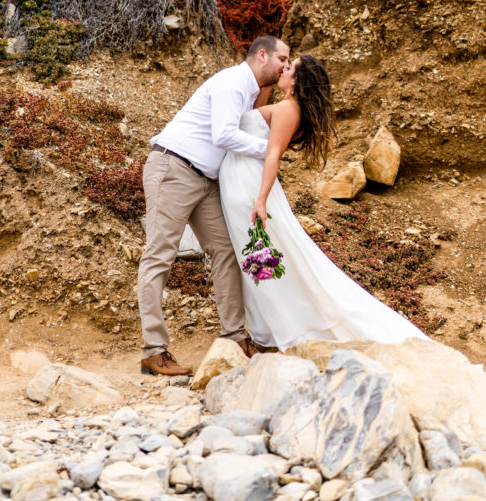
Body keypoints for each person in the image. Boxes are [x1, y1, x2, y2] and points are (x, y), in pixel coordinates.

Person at [218, 55, 430, 350]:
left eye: (289, 68)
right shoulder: (285, 106)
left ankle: (274, 329)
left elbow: (272, 156)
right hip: (240, 181)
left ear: (297, 81)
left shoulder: (288, 109)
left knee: (262, 258)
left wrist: (262, 199)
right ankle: (266, 328)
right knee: (260, 258)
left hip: (249, 186)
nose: (283, 69)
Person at [138, 34, 290, 376]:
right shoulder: (232, 83)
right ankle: (153, 351)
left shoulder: (250, 89)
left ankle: (235, 337)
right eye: (282, 59)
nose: (285, 66)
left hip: (205, 180)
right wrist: (270, 151)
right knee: (159, 255)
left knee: (226, 251)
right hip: (173, 168)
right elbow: (223, 135)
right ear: (262, 55)